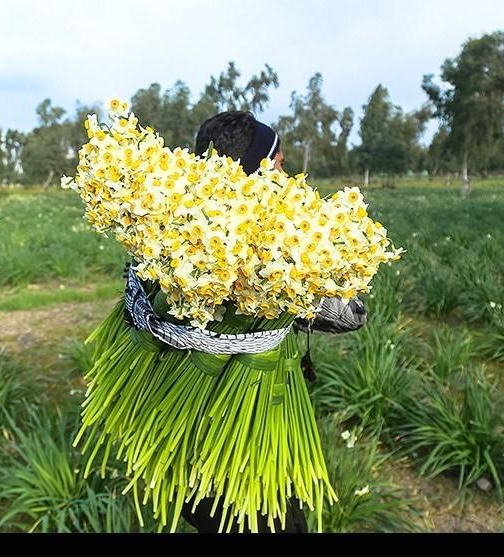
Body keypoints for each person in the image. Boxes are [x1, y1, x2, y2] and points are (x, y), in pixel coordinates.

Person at [178, 111, 367, 533]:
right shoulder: (270, 251)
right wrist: (327, 258)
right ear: (255, 170)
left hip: (184, 432)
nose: (286, 174)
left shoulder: (175, 235)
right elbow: (351, 315)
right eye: (279, 164)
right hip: (248, 455)